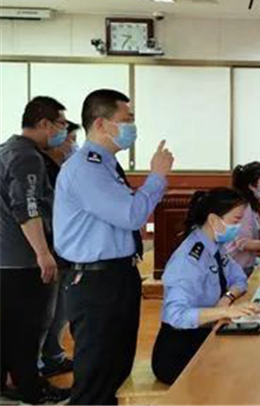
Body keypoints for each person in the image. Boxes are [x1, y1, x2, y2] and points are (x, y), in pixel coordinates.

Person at [54, 89, 174, 405]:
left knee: (116, 371)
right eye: (126, 119)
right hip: (96, 282)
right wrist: (157, 176)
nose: (132, 127)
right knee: (96, 377)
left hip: (117, 275)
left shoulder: (106, 165)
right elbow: (131, 214)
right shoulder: (86, 167)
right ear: (101, 124)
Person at [0, 96, 71, 404]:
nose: (64, 132)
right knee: (27, 330)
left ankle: (11, 383)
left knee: (9, 328)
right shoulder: (27, 157)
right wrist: (43, 253)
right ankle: (31, 390)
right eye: (61, 125)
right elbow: (26, 207)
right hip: (22, 260)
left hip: (7, 259)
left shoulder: (7, 150)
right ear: (44, 124)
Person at [151, 188, 260, 385]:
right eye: (236, 220)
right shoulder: (188, 260)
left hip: (205, 333)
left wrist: (227, 298)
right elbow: (176, 316)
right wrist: (223, 312)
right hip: (179, 352)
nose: (238, 227)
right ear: (213, 220)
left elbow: (239, 279)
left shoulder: (215, 247)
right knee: (246, 371)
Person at [38, 119, 81, 378]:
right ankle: (38, 366)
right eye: (71, 139)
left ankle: (53, 355)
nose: (74, 146)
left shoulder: (63, 170)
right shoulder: (41, 169)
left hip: (65, 250)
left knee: (60, 309)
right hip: (49, 250)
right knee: (47, 312)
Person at [229, 161, 260, 276]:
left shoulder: (250, 204)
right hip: (238, 267)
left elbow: (254, 229)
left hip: (245, 263)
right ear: (251, 185)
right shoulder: (244, 209)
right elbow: (244, 243)